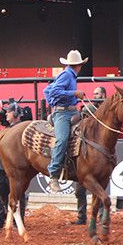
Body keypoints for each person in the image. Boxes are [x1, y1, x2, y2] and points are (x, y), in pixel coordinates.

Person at [0, 99, 32, 231]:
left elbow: (1, 142)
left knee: (17, 193)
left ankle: (16, 221)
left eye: (9, 112)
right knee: (0, 192)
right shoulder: (11, 129)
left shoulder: (19, 130)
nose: (6, 114)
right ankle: (2, 219)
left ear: (15, 114)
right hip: (4, 165)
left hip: (13, 166)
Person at [44, 49, 87, 193]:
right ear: (79, 65)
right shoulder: (67, 75)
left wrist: (54, 102)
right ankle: (54, 175)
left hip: (71, 111)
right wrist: (74, 93)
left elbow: (47, 90)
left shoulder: (69, 75)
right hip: (63, 114)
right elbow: (54, 91)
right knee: (62, 140)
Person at [70, 86, 106, 225]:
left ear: (103, 94)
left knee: (98, 189)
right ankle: (82, 217)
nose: (95, 95)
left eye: (97, 93)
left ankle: (100, 215)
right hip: (85, 150)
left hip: (97, 152)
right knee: (80, 190)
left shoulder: (105, 109)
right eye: (94, 93)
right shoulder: (89, 108)